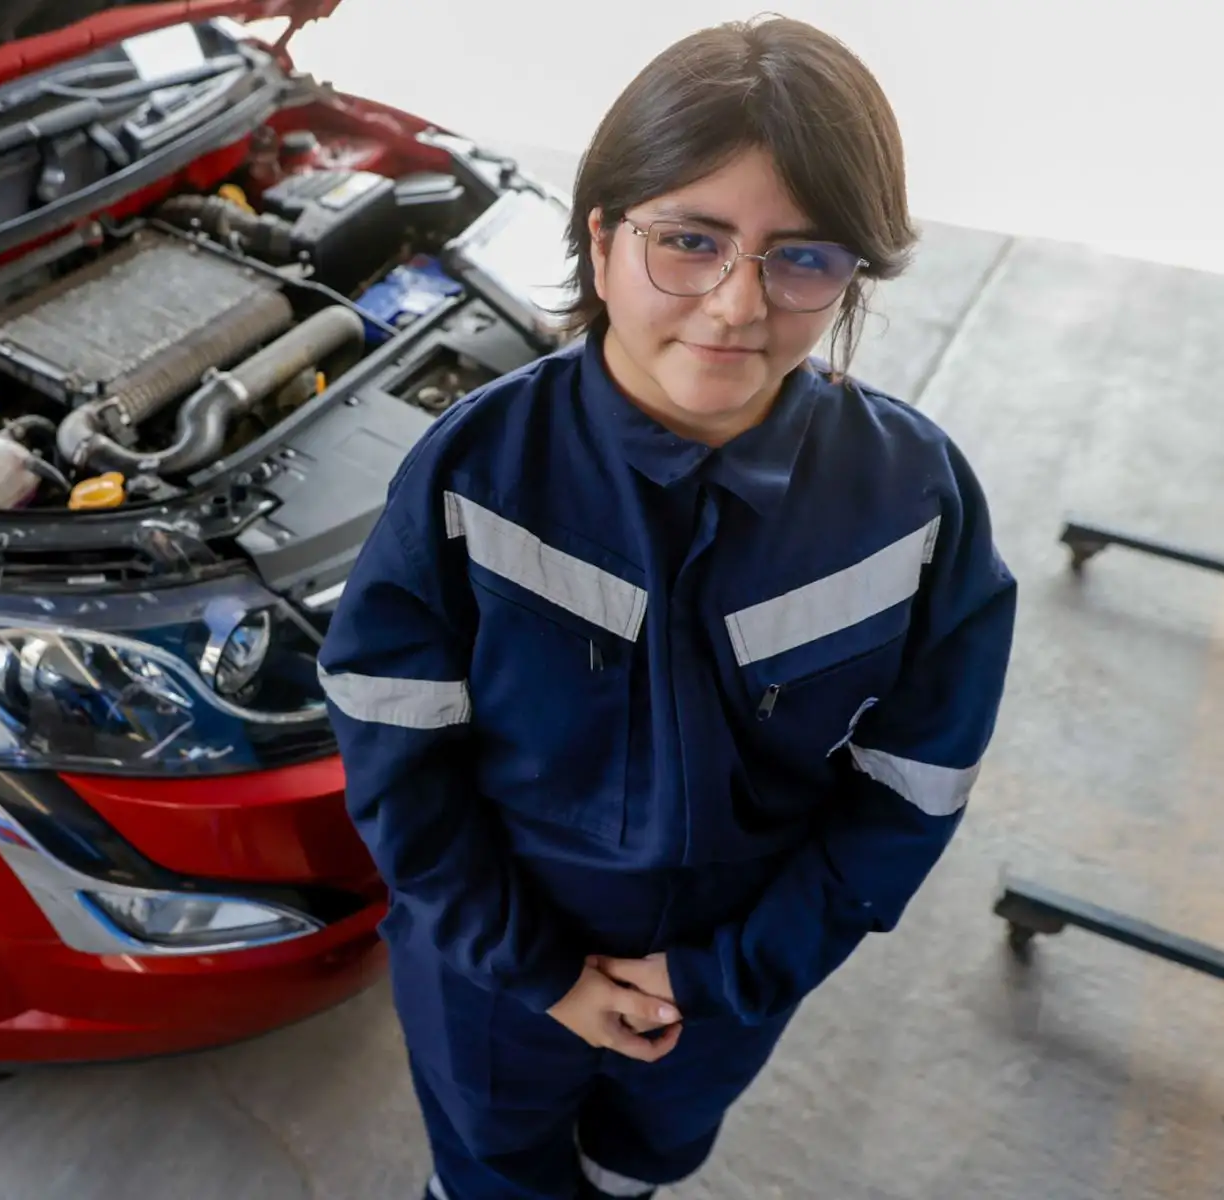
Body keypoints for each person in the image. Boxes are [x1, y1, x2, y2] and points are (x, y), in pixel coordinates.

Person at [316, 15, 1018, 1200]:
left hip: (735, 972)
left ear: (857, 271)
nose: (740, 305)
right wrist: (537, 972)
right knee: (495, 1164)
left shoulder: (916, 499)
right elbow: (395, 746)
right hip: (497, 971)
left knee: (649, 1154)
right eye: (690, 240)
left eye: (805, 256)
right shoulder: (476, 473)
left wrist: (731, 973)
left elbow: (916, 779)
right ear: (599, 240)